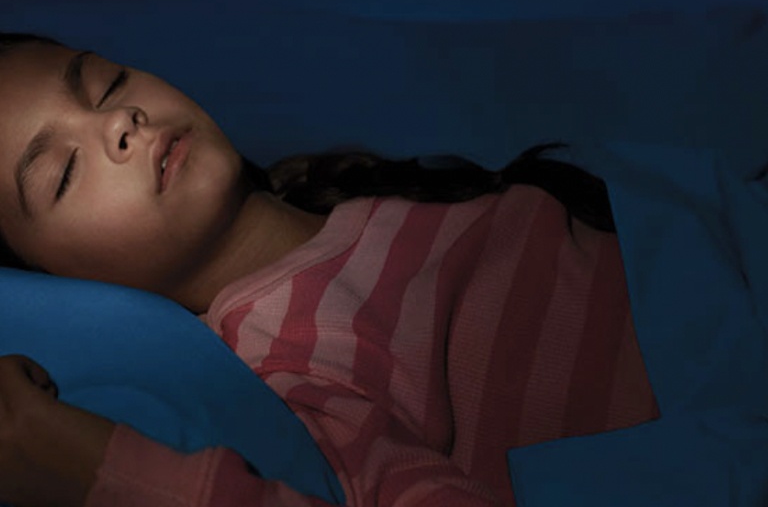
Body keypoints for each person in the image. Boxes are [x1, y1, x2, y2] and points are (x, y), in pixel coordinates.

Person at [0, 33, 658, 507]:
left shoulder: (344, 190)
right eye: (63, 172)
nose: (119, 120)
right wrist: (103, 474)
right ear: (58, 288)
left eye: (106, 83)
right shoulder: (291, 364)